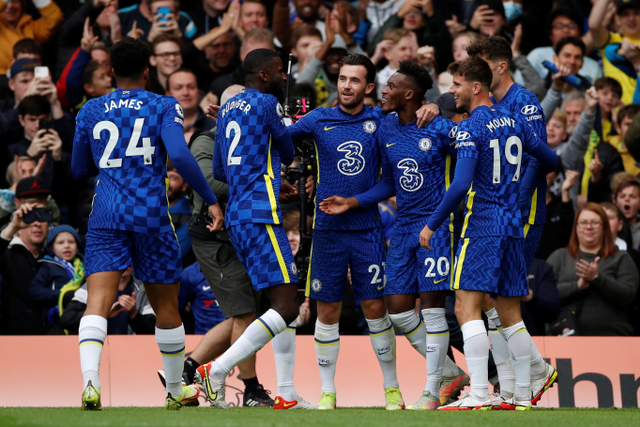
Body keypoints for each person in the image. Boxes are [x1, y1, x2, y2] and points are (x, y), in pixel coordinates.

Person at [71, 36, 224, 411]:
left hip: (107, 213)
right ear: (147, 69)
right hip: (151, 215)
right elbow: (180, 157)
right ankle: (174, 390)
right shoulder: (162, 105)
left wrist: (110, 166)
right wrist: (210, 197)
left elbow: (78, 169)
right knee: (166, 306)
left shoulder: (90, 110)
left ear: (110, 71)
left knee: (98, 301)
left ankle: (91, 384)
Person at [318, 61, 469, 410]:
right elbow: (388, 182)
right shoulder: (385, 127)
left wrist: (439, 104)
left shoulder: (438, 126)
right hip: (402, 228)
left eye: (390, 86)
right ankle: (451, 373)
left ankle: (431, 392)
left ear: (410, 94)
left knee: (432, 313)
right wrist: (352, 201)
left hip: (436, 228)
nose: (383, 91)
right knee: (399, 311)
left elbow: (469, 160)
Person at [420, 57, 558, 410]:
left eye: (456, 84)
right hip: (514, 225)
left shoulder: (471, 128)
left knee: (467, 309)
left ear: (475, 87)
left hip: (482, 226)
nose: (451, 91)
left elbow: (460, 184)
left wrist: (431, 223)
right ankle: (523, 396)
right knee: (510, 313)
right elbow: (550, 159)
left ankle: (479, 393)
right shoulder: (515, 121)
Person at [198, 48, 312, 411]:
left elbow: (219, 170)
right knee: (287, 305)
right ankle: (216, 370)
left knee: (277, 304)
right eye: (279, 72)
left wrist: (261, 174)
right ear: (263, 76)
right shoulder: (266, 104)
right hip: (260, 214)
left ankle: (287, 394)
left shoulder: (229, 107)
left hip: (238, 215)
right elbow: (289, 152)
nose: (284, 77)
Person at [286, 54, 402, 410]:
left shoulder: (381, 121)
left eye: (355, 81)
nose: (346, 86)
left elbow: (389, 183)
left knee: (374, 307)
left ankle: (392, 387)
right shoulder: (319, 118)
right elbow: (279, 138)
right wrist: (243, 120)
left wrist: (353, 202)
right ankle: (327, 392)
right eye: (341, 79)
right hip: (327, 232)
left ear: (368, 87)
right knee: (327, 310)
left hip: (366, 229)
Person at [466, 36, 557, 408]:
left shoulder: (525, 103)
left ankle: (524, 379)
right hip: (498, 216)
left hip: (522, 215)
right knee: (492, 297)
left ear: (501, 66)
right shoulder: (485, 106)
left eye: (482, 61)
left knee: (503, 299)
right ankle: (521, 378)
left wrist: (516, 203)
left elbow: (540, 158)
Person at [181, 84, 275, 408]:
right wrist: (261, 180)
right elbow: (208, 181)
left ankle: (187, 371)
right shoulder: (205, 141)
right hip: (213, 240)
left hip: (242, 237)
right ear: (222, 109)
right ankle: (250, 389)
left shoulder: (254, 141)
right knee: (247, 313)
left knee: (246, 313)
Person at [547, 203, 639, 336]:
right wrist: (577, 286)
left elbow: (628, 296)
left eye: (595, 222)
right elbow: (543, 294)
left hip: (612, 338)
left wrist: (597, 278)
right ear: (576, 227)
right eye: (583, 222)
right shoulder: (560, 256)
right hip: (564, 338)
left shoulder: (621, 258)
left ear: (604, 227)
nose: (589, 227)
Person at [0, 176, 52, 335]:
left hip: (53, 338)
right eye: (31, 214)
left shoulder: (58, 255)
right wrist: (13, 226)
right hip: (13, 338)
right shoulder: (6, 251)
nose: (36, 222)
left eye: (41, 213)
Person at [29, 225, 85, 334]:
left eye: (71, 242)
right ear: (51, 247)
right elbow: (34, 291)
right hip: (55, 319)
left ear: (78, 247)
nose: (67, 246)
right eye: (60, 243)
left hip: (79, 318)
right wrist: (62, 294)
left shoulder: (85, 268)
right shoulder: (48, 266)